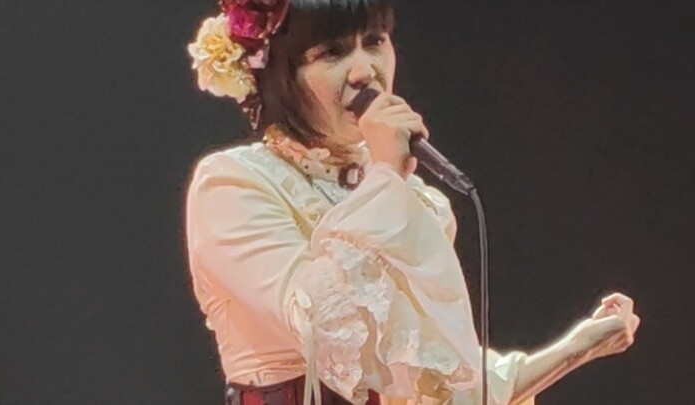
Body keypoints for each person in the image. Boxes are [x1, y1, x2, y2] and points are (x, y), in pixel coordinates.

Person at [184, 1, 641, 404]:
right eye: (332, 53)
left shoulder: (415, 201)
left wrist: (577, 347)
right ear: (279, 76)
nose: (364, 71)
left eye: (374, 41)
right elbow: (323, 324)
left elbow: (443, 384)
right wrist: (385, 174)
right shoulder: (233, 185)